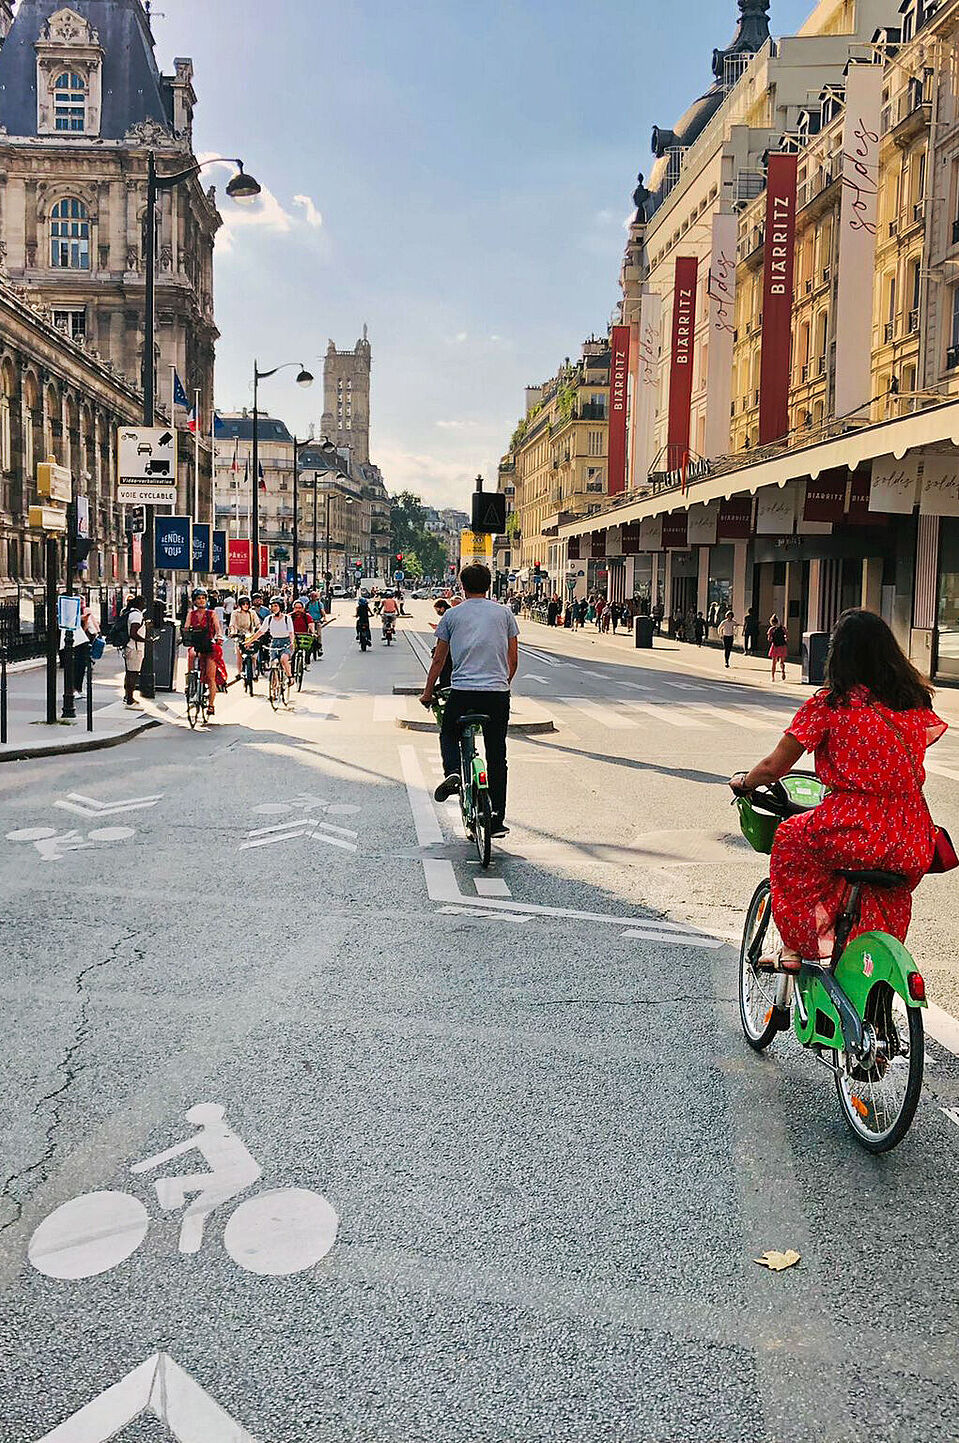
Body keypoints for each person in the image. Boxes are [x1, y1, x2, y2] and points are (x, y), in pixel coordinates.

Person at [729, 609, 946, 971]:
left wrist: (745, 783)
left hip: (854, 827)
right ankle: (873, 968)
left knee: (790, 840)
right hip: (911, 835)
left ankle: (794, 950)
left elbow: (774, 767)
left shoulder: (830, 706)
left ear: (839, 654)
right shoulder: (912, 704)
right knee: (885, 894)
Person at [420, 563, 519, 837]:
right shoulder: (505, 613)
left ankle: (453, 771)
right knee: (497, 754)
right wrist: (503, 685)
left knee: (448, 733)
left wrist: (428, 692)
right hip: (497, 695)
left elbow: (439, 659)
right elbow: (513, 659)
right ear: (489, 586)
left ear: (462, 586)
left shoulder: (451, 615)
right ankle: (497, 818)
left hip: (463, 692)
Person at [182, 588, 222, 718]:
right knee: (191, 653)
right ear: (194, 601)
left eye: (203, 598)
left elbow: (217, 629)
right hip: (196, 644)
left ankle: (211, 704)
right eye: (198, 598)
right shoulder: (191, 614)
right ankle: (190, 681)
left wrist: (219, 636)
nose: (201, 600)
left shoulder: (212, 613)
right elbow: (187, 628)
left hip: (209, 645)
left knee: (210, 676)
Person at [250, 597, 294, 683]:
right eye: (272, 606)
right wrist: (250, 641)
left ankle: (290, 677)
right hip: (274, 642)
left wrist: (292, 642)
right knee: (273, 663)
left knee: (284, 659)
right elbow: (260, 632)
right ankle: (275, 687)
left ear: (281, 607)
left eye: (276, 606)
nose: (273, 608)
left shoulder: (287, 618)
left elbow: (291, 632)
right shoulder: (269, 619)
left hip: (286, 642)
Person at [123, 595, 146, 708]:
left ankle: (128, 697)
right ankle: (130, 700)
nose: (145, 605)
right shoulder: (136, 615)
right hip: (135, 648)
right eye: (144, 603)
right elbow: (133, 633)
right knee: (133, 674)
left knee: (129, 673)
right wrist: (146, 640)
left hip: (129, 647)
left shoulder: (130, 613)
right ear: (139, 604)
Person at [229, 596, 258, 679]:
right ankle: (239, 672)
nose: (245, 605)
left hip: (250, 635)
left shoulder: (252, 613)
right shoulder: (235, 613)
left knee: (253, 655)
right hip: (239, 635)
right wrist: (233, 632)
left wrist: (259, 629)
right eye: (243, 604)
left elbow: (257, 623)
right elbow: (232, 624)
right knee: (239, 653)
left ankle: (254, 671)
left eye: (247, 604)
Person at [430, 598, 454, 690]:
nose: (437, 612)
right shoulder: (451, 613)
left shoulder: (448, 615)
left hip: (449, 647)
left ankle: (445, 684)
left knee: (445, 665)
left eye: (437, 610)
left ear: (442, 608)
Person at [306, 589, 326, 658]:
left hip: (317, 621)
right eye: (311, 596)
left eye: (314, 596)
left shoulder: (319, 604)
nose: (313, 598)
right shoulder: (308, 604)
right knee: (307, 634)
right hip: (310, 622)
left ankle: (320, 648)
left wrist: (324, 618)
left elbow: (322, 611)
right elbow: (306, 612)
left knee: (319, 634)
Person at [768, 613, 788, 681]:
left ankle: (773, 677)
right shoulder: (783, 628)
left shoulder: (771, 629)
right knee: (782, 662)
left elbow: (769, 639)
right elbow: (787, 636)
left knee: (774, 662)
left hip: (775, 646)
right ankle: (783, 671)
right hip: (782, 646)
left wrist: (772, 638)